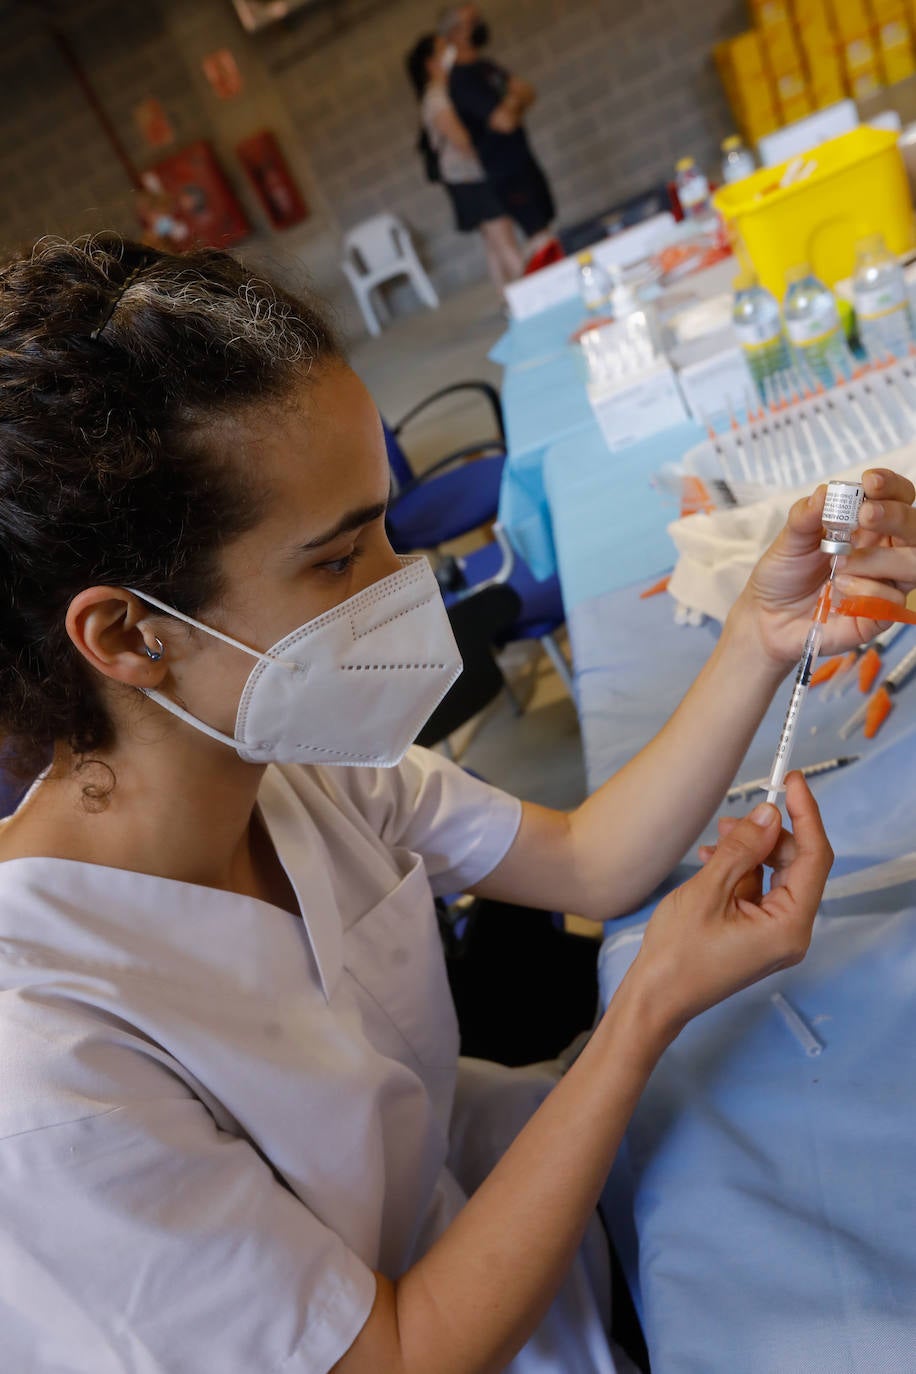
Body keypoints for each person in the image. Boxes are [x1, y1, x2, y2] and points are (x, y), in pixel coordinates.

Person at [0, 233, 913, 1374]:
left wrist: (759, 636)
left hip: (522, 1212)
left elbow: (587, 863)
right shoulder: (45, 1071)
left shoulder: (295, 757)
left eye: (387, 527)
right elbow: (395, 1354)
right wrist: (641, 1014)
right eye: (337, 562)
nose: (405, 589)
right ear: (131, 634)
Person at [439, 4, 557, 260]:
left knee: (545, 228)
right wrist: (513, 101)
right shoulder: (461, 81)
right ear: (455, 33)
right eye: (473, 22)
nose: (480, 26)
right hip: (505, 171)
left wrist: (511, 103)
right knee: (538, 236)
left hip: (523, 159)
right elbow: (504, 121)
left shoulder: (486, 66)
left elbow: (527, 91)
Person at [406, 33, 524, 288]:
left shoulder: (438, 94)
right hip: (472, 178)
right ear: (430, 63)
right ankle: (536, 295)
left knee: (494, 244)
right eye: (442, 50)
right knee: (505, 241)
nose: (450, 52)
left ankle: (508, 301)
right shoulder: (437, 98)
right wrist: (489, 162)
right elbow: (461, 140)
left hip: (466, 180)